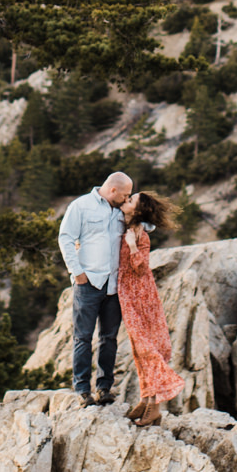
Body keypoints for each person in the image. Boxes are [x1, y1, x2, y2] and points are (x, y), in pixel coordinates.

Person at [58, 171, 133, 404]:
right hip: (88, 283)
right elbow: (65, 238)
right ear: (113, 190)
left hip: (114, 285)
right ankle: (81, 389)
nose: (127, 199)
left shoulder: (122, 210)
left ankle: (104, 388)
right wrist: (77, 273)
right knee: (83, 337)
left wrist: (137, 213)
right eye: (125, 195)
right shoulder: (81, 206)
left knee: (109, 338)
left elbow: (149, 224)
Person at [117, 191, 185, 426]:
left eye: (131, 200)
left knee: (147, 348)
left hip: (142, 296)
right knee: (138, 349)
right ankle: (146, 399)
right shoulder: (123, 225)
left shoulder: (140, 236)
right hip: (128, 295)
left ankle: (155, 405)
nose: (126, 201)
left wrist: (132, 246)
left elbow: (141, 268)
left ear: (137, 211)